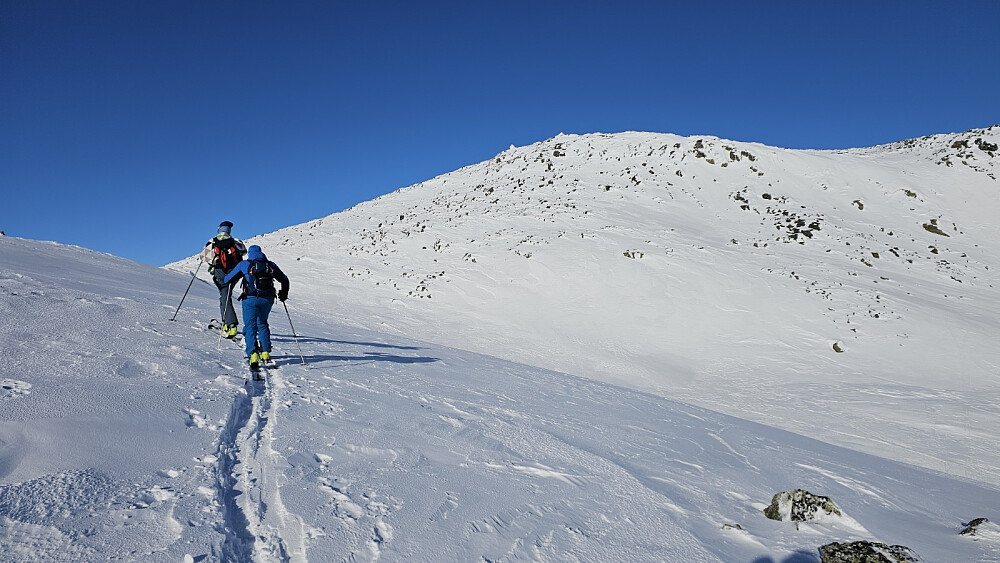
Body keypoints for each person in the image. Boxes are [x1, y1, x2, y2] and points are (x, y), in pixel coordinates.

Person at [223, 245, 290, 370]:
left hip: (250, 299)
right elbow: (284, 280)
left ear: (249, 253)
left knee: (250, 326)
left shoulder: (244, 264)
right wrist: (283, 294)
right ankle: (265, 353)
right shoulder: (270, 265)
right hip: (267, 299)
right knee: (262, 324)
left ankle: (253, 354)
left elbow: (227, 279)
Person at [200, 221, 247, 338]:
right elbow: (244, 251)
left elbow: (203, 257)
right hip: (235, 272)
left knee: (225, 296)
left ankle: (231, 325)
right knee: (225, 296)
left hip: (219, 273)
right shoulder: (235, 241)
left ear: (219, 230)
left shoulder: (212, 242)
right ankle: (227, 322)